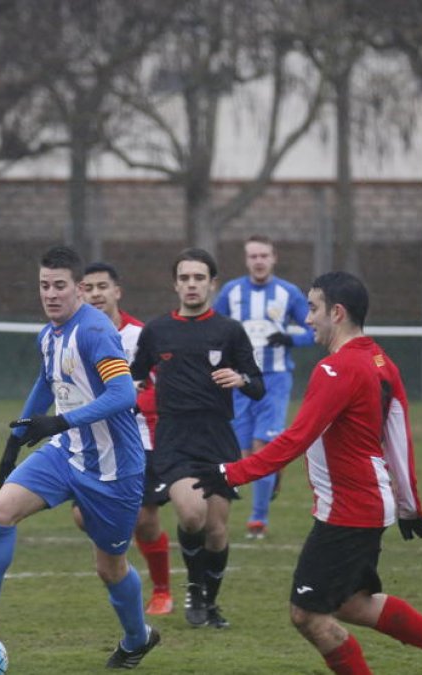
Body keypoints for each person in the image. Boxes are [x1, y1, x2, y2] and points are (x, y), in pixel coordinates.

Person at [191, 271, 422, 675]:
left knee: (307, 615)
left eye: (313, 309)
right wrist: (407, 503)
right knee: (353, 603)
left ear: (338, 312)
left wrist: (229, 473)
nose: (307, 319)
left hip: (350, 509)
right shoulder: (380, 360)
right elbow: (398, 434)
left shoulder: (336, 370)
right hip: (367, 502)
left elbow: (295, 438)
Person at [0, 246, 160, 670]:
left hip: (113, 470)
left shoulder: (93, 332)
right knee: (0, 511)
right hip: (65, 455)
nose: (51, 294)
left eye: (60, 286)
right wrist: (16, 437)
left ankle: (137, 637)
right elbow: (46, 378)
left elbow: (124, 395)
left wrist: (58, 423)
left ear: (78, 289)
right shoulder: (49, 333)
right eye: (44, 286)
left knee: (110, 567)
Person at [129, 248, 265, 630]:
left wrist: (240, 379)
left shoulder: (228, 331)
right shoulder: (157, 331)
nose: (191, 284)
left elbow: (258, 385)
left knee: (217, 530)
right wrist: (127, 393)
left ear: (212, 284)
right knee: (192, 514)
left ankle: (209, 601)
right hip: (174, 439)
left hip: (218, 438)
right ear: (175, 284)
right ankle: (192, 584)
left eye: (199, 278)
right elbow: (136, 375)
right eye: (185, 278)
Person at [76, 261, 172, 616]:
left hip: (141, 439)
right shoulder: (77, 334)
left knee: (145, 520)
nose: (96, 293)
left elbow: (161, 386)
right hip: (93, 443)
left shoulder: (140, 336)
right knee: (82, 516)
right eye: (88, 287)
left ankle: (162, 590)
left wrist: (128, 399)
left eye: (103, 286)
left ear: (117, 291)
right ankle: (116, 562)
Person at [213, 234, 314, 540]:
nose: (259, 261)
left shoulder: (288, 293)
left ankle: (258, 520)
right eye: (253, 256)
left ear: (274, 258)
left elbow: (314, 330)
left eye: (264, 256)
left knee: (263, 448)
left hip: (275, 380)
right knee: (242, 454)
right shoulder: (231, 293)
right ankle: (275, 473)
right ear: (246, 260)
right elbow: (213, 326)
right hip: (238, 382)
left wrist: (289, 338)